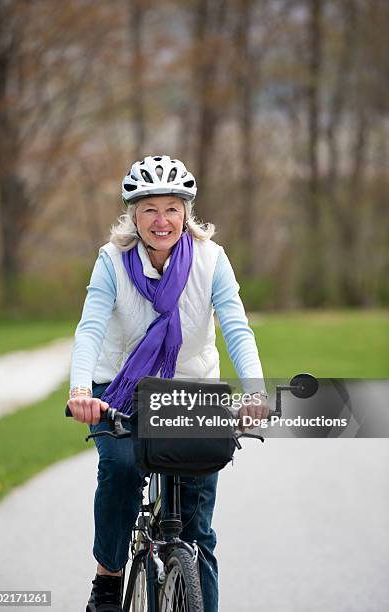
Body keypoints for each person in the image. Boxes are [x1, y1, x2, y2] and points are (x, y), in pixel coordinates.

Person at [67, 154, 269, 612]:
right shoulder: (112, 262)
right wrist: (81, 390)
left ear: (186, 213)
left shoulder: (211, 260)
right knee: (120, 467)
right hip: (120, 392)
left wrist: (255, 390)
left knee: (198, 534)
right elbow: (91, 327)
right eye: (150, 209)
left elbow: (236, 327)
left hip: (190, 396)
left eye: (172, 209)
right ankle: (108, 580)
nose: (162, 221)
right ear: (132, 215)